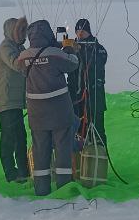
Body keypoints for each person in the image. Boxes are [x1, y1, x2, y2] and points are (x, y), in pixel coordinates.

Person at [13, 19, 79, 196]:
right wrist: (69, 48)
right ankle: (64, 189)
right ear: (48, 34)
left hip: (37, 114)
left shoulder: (23, 56)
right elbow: (72, 64)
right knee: (62, 149)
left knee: (40, 150)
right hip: (59, 112)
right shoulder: (55, 53)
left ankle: (41, 189)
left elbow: (21, 67)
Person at [0, 17, 29, 182]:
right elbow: (17, 64)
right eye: (20, 31)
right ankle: (10, 172)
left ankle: (24, 171)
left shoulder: (19, 47)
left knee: (21, 137)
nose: (23, 34)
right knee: (9, 138)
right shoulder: (6, 47)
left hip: (17, 100)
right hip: (7, 101)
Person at [69, 18, 108, 146]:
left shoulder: (98, 48)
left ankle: (100, 158)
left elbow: (100, 61)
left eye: (83, 31)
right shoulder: (72, 49)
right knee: (78, 130)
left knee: (97, 128)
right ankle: (81, 159)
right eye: (78, 31)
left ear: (88, 32)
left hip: (94, 96)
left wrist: (83, 50)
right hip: (77, 96)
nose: (80, 34)